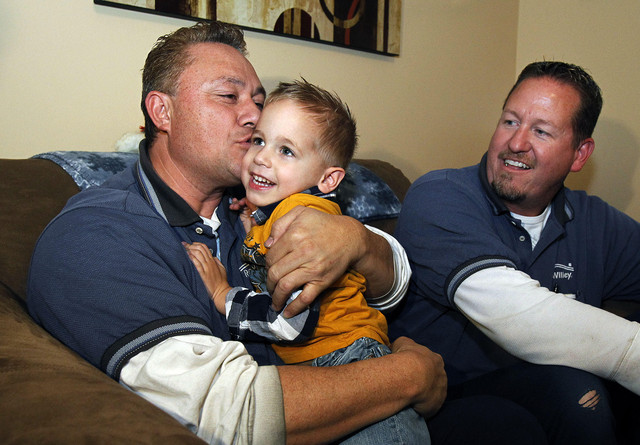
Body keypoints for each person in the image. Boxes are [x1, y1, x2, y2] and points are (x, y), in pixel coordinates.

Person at [27, 21, 447, 445]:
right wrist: (408, 376)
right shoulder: (97, 235)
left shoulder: (260, 201)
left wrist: (356, 239)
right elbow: (232, 412)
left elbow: (391, 288)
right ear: (162, 112)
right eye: (229, 96)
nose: (253, 115)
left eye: (258, 101)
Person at [388, 61, 640, 444]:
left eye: (541, 131)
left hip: (546, 392)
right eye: (510, 122)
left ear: (579, 154)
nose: (517, 143)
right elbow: (514, 315)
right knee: (574, 393)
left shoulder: (596, 223)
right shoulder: (440, 197)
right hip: (446, 401)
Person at [185, 79, 431, 443]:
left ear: (328, 179)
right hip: (325, 366)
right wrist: (253, 219)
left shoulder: (305, 221)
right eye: (259, 140)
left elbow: (289, 322)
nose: (262, 157)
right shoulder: (279, 212)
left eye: (286, 151)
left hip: (352, 362)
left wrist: (224, 295)